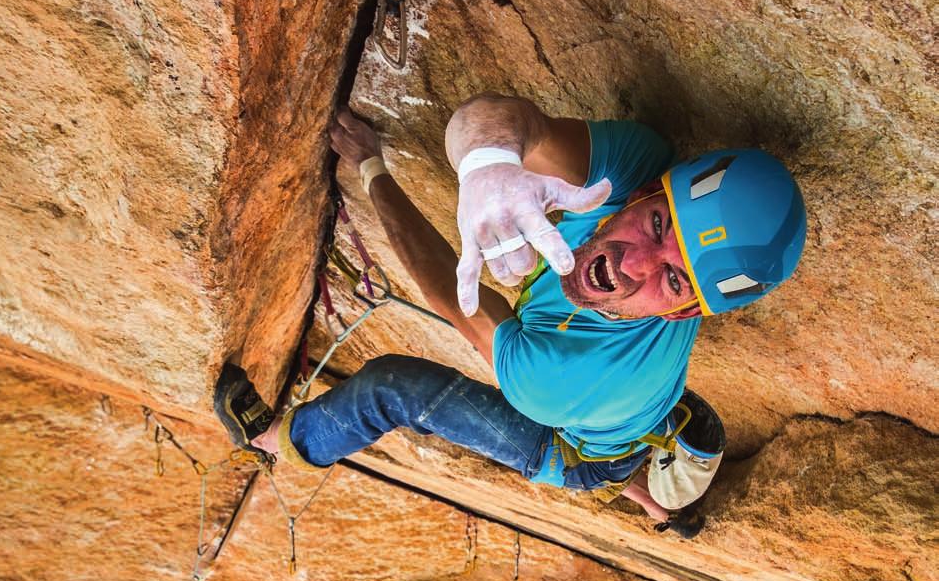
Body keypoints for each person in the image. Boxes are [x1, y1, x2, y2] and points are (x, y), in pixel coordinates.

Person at [215, 96, 805, 535]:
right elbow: (510, 122)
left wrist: (373, 170)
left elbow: (455, 294)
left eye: (672, 278)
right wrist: (486, 163)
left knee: (392, 388)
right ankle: (656, 506)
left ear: (683, 314)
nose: (633, 266)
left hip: (570, 442)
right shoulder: (629, 170)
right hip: (626, 420)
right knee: (616, 453)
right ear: (650, 190)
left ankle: (277, 441)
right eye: (657, 225)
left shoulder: (556, 379)